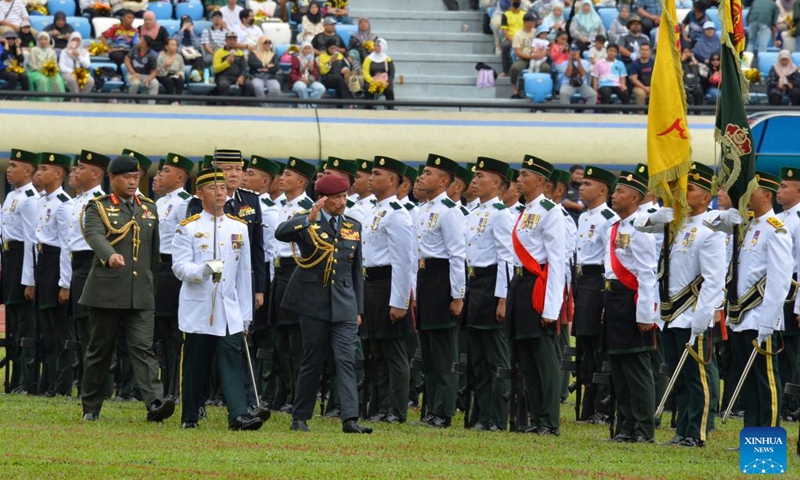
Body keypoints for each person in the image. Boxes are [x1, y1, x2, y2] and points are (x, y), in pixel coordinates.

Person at [79, 154, 175, 423]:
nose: (133, 182)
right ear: (112, 178)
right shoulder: (97, 207)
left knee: (144, 349)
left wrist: (151, 286)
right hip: (107, 291)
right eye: (127, 178)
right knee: (100, 350)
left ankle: (155, 403)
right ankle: (91, 405)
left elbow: (153, 252)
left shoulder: (148, 207)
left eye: (136, 178)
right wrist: (109, 255)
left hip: (141, 291)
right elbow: (95, 235)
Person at [637, 163, 725, 447]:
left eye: (690, 189)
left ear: (705, 196)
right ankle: (683, 429)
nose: (682, 193)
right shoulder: (677, 223)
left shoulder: (711, 230)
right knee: (681, 376)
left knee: (697, 377)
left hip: (692, 313)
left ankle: (696, 433)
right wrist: (661, 213)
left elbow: (713, 279)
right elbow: (638, 225)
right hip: (671, 313)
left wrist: (703, 317)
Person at [276, 174, 371, 434]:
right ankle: (300, 417)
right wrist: (308, 218)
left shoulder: (353, 225)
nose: (343, 202)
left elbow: (355, 270)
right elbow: (280, 233)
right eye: (337, 198)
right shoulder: (309, 223)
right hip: (313, 303)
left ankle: (350, 418)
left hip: (344, 303)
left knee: (346, 360)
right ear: (322, 199)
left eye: (344, 196)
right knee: (312, 360)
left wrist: (358, 308)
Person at [173, 168, 264, 431]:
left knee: (231, 357)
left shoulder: (239, 227)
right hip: (199, 306)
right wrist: (202, 270)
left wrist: (245, 314)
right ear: (200, 193)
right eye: (213, 188)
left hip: (229, 307)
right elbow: (179, 267)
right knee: (196, 362)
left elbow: (244, 273)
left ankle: (238, 414)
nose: (221, 193)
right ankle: (189, 414)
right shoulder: (188, 228)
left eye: (223, 188)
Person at [724, 173, 793, 429]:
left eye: (751, 191)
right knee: (748, 379)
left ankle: (769, 437)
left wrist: (769, 319)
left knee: (766, 381)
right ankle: (752, 433)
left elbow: (779, 279)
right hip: (742, 316)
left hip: (760, 315)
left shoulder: (776, 229)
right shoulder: (748, 225)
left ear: (767, 195)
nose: (746, 195)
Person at [507, 155, 565, 435]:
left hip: (538, 289)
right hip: (520, 287)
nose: (518, 180)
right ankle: (537, 417)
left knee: (544, 359)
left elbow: (556, 263)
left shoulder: (550, 211)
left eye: (524, 175)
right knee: (527, 357)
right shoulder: (525, 210)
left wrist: (551, 309)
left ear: (541, 181)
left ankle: (549, 420)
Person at [603, 170, 657, 443]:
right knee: (620, 368)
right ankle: (626, 426)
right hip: (613, 300)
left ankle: (644, 429)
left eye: (620, 192)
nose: (614, 195)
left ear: (635, 197)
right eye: (614, 191)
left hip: (632, 301)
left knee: (636, 368)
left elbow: (648, 273)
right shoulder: (615, 226)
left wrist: (646, 314)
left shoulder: (641, 226)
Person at [360, 156, 414, 424]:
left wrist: (400, 301)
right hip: (370, 283)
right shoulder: (374, 210)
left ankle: (396, 409)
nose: (371, 177)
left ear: (392, 180)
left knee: (393, 352)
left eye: (377, 173)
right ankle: (379, 406)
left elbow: (404, 262)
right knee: (377, 350)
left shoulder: (397, 214)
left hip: (387, 284)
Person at [414, 154, 466, 428]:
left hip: (441, 279)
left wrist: (457, 295)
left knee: (444, 353)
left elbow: (457, 255)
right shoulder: (422, 209)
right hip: (424, 278)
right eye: (422, 172)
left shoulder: (449, 211)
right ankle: (430, 409)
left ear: (444, 181)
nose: (421, 177)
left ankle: (443, 411)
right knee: (430, 352)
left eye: (428, 173)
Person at [463, 157, 515, 431]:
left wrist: (504, 298)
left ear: (496, 183)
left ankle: (496, 416)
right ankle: (481, 414)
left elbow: (507, 258)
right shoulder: (475, 213)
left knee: (495, 357)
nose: (474, 180)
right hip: (475, 285)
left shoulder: (501, 214)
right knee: (479, 358)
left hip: (492, 284)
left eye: (480, 176)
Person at [23, 153, 73, 396]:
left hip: (55, 263)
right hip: (42, 262)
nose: (38, 173)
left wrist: (65, 283)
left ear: (59, 174)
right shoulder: (41, 201)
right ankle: (48, 382)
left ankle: (62, 384)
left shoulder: (64, 203)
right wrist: (31, 280)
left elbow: (66, 245)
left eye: (44, 168)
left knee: (59, 329)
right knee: (46, 329)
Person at [270, 157, 316, 414]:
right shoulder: (279, 206)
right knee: (282, 341)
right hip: (279, 272)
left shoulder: (308, 209)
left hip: (297, 270)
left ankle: (299, 396)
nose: (281, 178)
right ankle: (286, 393)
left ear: (300, 182)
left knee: (297, 342)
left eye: (287, 175)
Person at [572, 166, 617, 423]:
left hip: (598, 281)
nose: (581, 187)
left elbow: (610, 257)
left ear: (602, 190)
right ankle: (588, 405)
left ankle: (601, 406)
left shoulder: (608, 218)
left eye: (588, 184)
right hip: (582, 282)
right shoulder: (585, 216)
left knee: (599, 346)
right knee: (585, 345)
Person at [63, 150, 109, 396]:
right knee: (81, 325)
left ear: (95, 174)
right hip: (77, 265)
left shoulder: (101, 202)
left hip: (93, 263)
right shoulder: (75, 202)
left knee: (95, 329)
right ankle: (84, 382)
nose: (75, 171)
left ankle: (99, 385)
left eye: (81, 168)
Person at [152, 154, 194, 403]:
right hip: (156, 270)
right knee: (159, 331)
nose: (158, 176)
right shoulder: (158, 203)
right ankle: (163, 384)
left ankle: (174, 389)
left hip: (172, 270)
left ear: (179, 177)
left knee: (173, 333)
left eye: (164, 171)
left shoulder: (184, 203)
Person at [242, 155, 282, 407]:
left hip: (263, 277)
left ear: (265, 181)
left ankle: (264, 390)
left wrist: (265, 289)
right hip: (247, 274)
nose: (245, 177)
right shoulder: (244, 204)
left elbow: (271, 251)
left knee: (264, 337)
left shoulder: (268, 209)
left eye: (251, 174)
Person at [2, 149, 40, 394]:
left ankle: (27, 381)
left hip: (21, 261)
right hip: (9, 259)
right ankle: (15, 380)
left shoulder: (30, 199)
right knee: (14, 322)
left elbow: (30, 242)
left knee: (26, 324)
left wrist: (29, 280)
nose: (8, 169)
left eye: (14, 165)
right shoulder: (11, 197)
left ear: (28, 170)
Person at [777, 166, 800, 421]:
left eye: (784, 186)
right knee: (780, 348)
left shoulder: (798, 220)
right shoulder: (779, 218)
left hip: (793, 290)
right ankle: (782, 403)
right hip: (779, 287)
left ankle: (791, 404)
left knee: (791, 351)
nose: (779, 191)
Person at [213, 31, 254, 98]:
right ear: (226, 40)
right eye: (230, 39)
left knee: (249, 84)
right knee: (223, 85)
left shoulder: (240, 53)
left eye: (234, 39)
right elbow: (216, 69)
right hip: (223, 77)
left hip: (237, 77)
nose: (232, 41)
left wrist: (242, 76)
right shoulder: (219, 52)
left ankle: (243, 103)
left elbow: (243, 68)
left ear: (236, 41)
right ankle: (224, 104)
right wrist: (227, 63)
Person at [509, 13, 539, 99]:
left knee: (546, 68)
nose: (534, 23)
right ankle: (514, 88)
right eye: (533, 21)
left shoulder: (536, 32)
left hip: (536, 58)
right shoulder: (518, 34)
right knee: (515, 68)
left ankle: (544, 89)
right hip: (523, 58)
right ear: (527, 22)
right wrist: (531, 57)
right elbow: (517, 52)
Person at [28, 32, 65, 101]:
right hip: (37, 71)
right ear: (38, 40)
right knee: (43, 80)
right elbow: (32, 65)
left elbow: (55, 64)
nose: (43, 41)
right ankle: (43, 100)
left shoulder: (52, 51)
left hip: (50, 71)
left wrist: (52, 70)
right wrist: (43, 71)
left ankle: (57, 100)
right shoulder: (33, 50)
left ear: (48, 40)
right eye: (41, 39)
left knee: (58, 79)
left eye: (45, 39)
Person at [125, 35, 159, 104]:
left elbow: (155, 71)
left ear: (145, 44)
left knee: (155, 84)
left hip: (146, 75)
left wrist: (149, 79)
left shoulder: (152, 55)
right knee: (135, 83)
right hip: (133, 73)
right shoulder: (135, 49)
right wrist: (133, 73)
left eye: (141, 40)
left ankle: (151, 105)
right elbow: (126, 59)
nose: (138, 40)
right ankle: (130, 100)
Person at [59, 32, 95, 98]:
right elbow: (62, 67)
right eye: (74, 40)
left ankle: (80, 98)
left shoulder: (84, 52)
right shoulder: (64, 51)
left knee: (90, 81)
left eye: (78, 40)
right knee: (73, 79)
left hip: (81, 73)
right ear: (70, 40)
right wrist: (73, 72)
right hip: (68, 73)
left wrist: (79, 56)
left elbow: (87, 65)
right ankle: (76, 100)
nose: (75, 42)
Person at [290, 41, 326, 107]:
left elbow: (316, 77)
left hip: (310, 81)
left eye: (309, 48)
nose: (307, 50)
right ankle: (304, 107)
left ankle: (311, 106)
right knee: (302, 87)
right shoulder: (296, 59)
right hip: (299, 80)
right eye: (305, 48)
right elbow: (292, 75)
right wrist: (300, 79)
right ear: (302, 50)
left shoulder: (313, 60)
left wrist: (312, 69)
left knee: (321, 88)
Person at [248, 35, 282, 104]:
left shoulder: (273, 55)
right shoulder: (253, 54)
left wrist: (264, 69)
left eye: (269, 43)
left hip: (270, 77)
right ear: (260, 43)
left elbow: (276, 67)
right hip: (257, 76)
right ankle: (264, 107)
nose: (268, 44)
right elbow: (253, 64)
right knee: (257, 87)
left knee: (276, 89)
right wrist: (265, 65)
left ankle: (266, 106)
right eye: (266, 43)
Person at [363, 38, 395, 108]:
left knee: (389, 90)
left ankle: (391, 108)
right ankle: (368, 109)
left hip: (384, 82)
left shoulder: (388, 59)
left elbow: (391, 74)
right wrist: (372, 81)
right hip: (372, 82)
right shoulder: (368, 59)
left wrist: (387, 82)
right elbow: (365, 73)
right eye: (375, 46)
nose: (376, 48)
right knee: (368, 88)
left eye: (378, 46)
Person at [319, 38, 353, 103]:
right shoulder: (322, 57)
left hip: (339, 79)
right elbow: (322, 71)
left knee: (340, 83)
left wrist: (345, 69)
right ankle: (350, 102)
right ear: (327, 48)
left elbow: (346, 65)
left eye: (335, 48)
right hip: (327, 79)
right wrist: (330, 62)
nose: (333, 50)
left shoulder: (340, 55)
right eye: (331, 48)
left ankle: (339, 105)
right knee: (340, 80)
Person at [173, 15, 204, 82]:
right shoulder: (177, 34)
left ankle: (194, 77)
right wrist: (182, 30)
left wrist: (191, 32)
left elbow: (197, 46)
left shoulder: (196, 35)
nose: (187, 26)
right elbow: (174, 43)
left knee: (200, 59)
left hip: (193, 56)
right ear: (181, 25)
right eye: (185, 24)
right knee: (177, 57)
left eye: (189, 23)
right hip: (181, 56)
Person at [500, 0, 527, 76]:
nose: (516, 1)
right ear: (511, 2)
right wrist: (512, 39)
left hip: (522, 38)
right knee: (504, 46)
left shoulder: (525, 14)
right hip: (510, 38)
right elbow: (504, 30)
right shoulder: (505, 14)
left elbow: (527, 28)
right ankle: (505, 70)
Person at [156, 38, 185, 104]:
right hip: (164, 75)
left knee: (180, 80)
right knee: (168, 81)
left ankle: (178, 101)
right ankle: (172, 101)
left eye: (176, 45)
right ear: (166, 47)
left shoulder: (179, 57)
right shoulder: (161, 57)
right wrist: (166, 66)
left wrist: (179, 73)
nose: (175, 47)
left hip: (175, 74)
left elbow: (182, 68)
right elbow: (159, 72)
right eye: (172, 45)